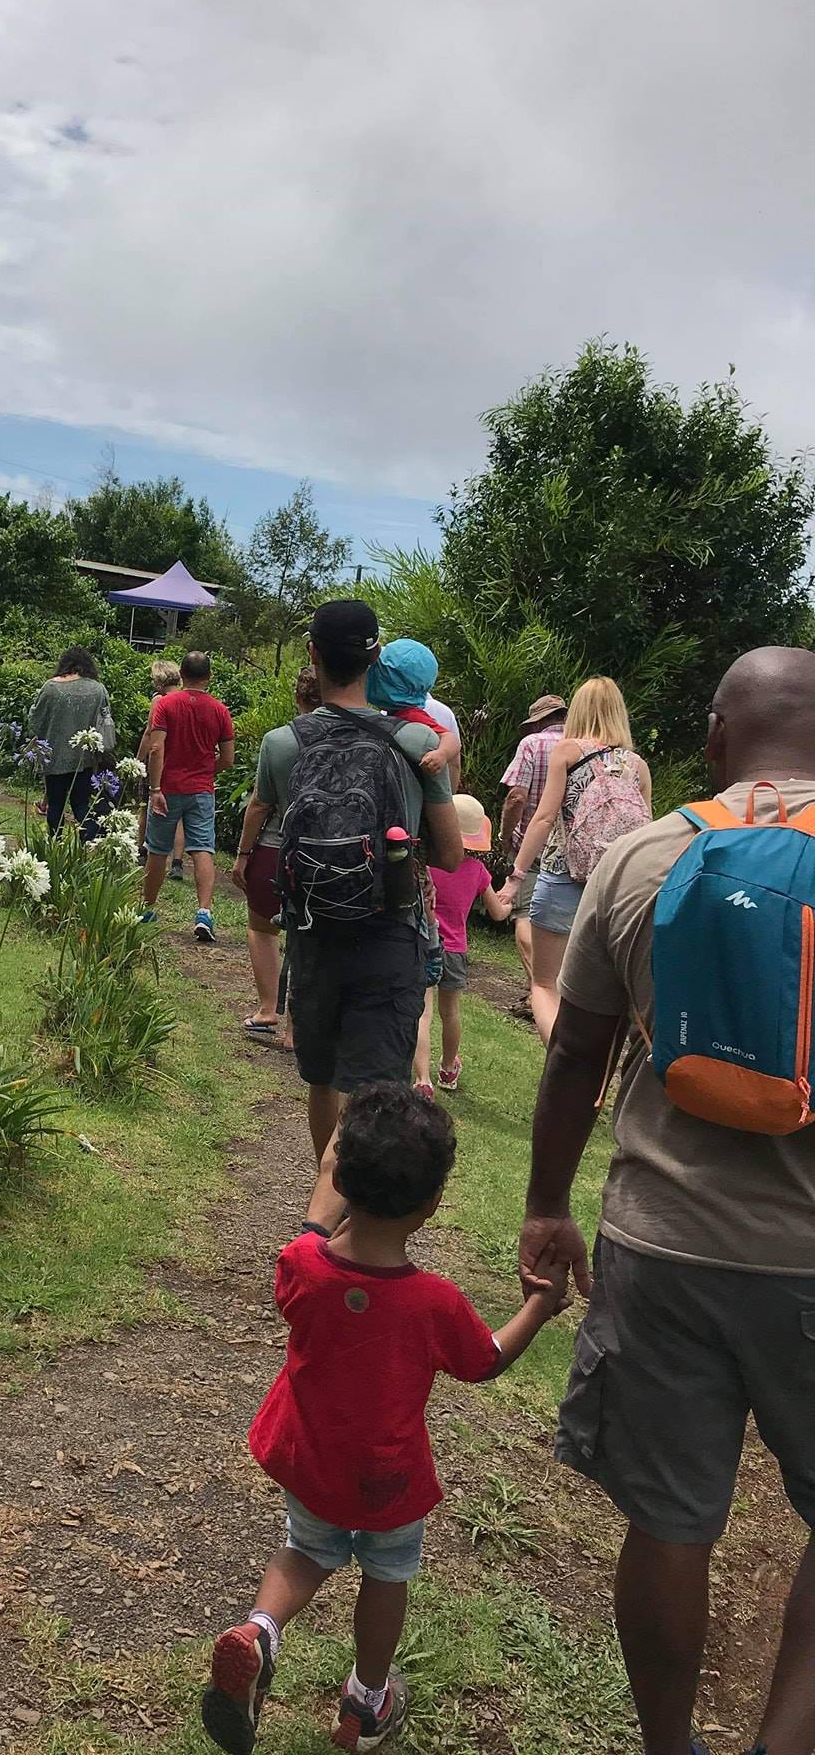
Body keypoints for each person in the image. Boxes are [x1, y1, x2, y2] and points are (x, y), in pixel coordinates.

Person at [522, 647, 815, 1755]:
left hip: (663, 1241)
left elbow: (574, 1056)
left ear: (718, 731)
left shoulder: (647, 853)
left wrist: (547, 1201)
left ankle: (668, 1745)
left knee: (670, 1520)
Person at [202, 1084, 563, 1755]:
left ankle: (259, 1632)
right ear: (432, 1205)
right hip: (384, 1481)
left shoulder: (301, 1267)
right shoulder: (433, 1303)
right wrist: (538, 1308)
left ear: (341, 1175)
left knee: (306, 1550)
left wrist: (327, 1183)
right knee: (386, 1575)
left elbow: (315, 1226)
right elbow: (483, 1361)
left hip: (308, 1458)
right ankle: (366, 1705)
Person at [285, 601, 465, 1232]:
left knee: (323, 1077)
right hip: (390, 932)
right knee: (375, 1090)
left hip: (312, 931)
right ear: (375, 657)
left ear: (313, 655)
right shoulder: (416, 743)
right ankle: (329, 1226)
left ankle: (325, 1213)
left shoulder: (285, 743)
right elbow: (447, 852)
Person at [496, 677, 651, 1045]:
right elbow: (646, 837)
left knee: (545, 984)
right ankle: (594, 1067)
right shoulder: (638, 766)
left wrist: (516, 875)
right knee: (601, 993)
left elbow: (545, 818)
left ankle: (564, 1060)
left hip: (562, 877)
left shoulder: (567, 751)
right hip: (616, 888)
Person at [231, 664, 322, 1042]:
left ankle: (269, 1007)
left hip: (276, 846)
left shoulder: (279, 741)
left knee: (262, 928)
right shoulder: (358, 737)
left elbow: (259, 803)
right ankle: (296, 1027)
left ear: (297, 697)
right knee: (313, 936)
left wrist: (242, 854)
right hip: (330, 857)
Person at [412, 794, 512, 1094]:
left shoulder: (426, 865)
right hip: (455, 949)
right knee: (451, 1012)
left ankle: (422, 1079)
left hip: (425, 941)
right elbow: (497, 913)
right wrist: (509, 901)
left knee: (423, 1012)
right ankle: (447, 1069)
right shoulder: (478, 872)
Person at [142, 650, 236, 944]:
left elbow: (156, 748)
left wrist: (155, 788)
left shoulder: (166, 705)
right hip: (201, 789)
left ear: (181, 675)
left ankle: (148, 909)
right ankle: (204, 912)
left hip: (167, 789)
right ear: (209, 677)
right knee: (202, 849)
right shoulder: (220, 710)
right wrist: (208, 771)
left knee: (157, 850)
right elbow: (229, 759)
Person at [498, 693, 568, 990]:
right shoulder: (585, 746)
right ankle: (562, 988)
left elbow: (516, 797)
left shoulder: (533, 744)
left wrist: (505, 836)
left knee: (524, 915)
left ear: (539, 721)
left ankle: (538, 987)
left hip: (532, 843)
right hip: (569, 849)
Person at [27, 647, 114, 837]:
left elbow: (35, 721)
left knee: (55, 804)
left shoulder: (51, 687)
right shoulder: (98, 689)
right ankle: (88, 840)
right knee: (81, 804)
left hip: (54, 755)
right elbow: (105, 719)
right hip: (85, 759)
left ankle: (54, 844)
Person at [364, 639, 461, 780]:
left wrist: (442, 754)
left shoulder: (412, 716)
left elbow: (451, 739)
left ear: (391, 685)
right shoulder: (390, 713)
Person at [136, 660, 183, 872]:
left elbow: (149, 733)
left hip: (160, 757)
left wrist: (139, 760)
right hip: (181, 761)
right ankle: (177, 862)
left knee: (148, 804)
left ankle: (143, 850)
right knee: (179, 813)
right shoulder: (186, 699)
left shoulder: (159, 700)